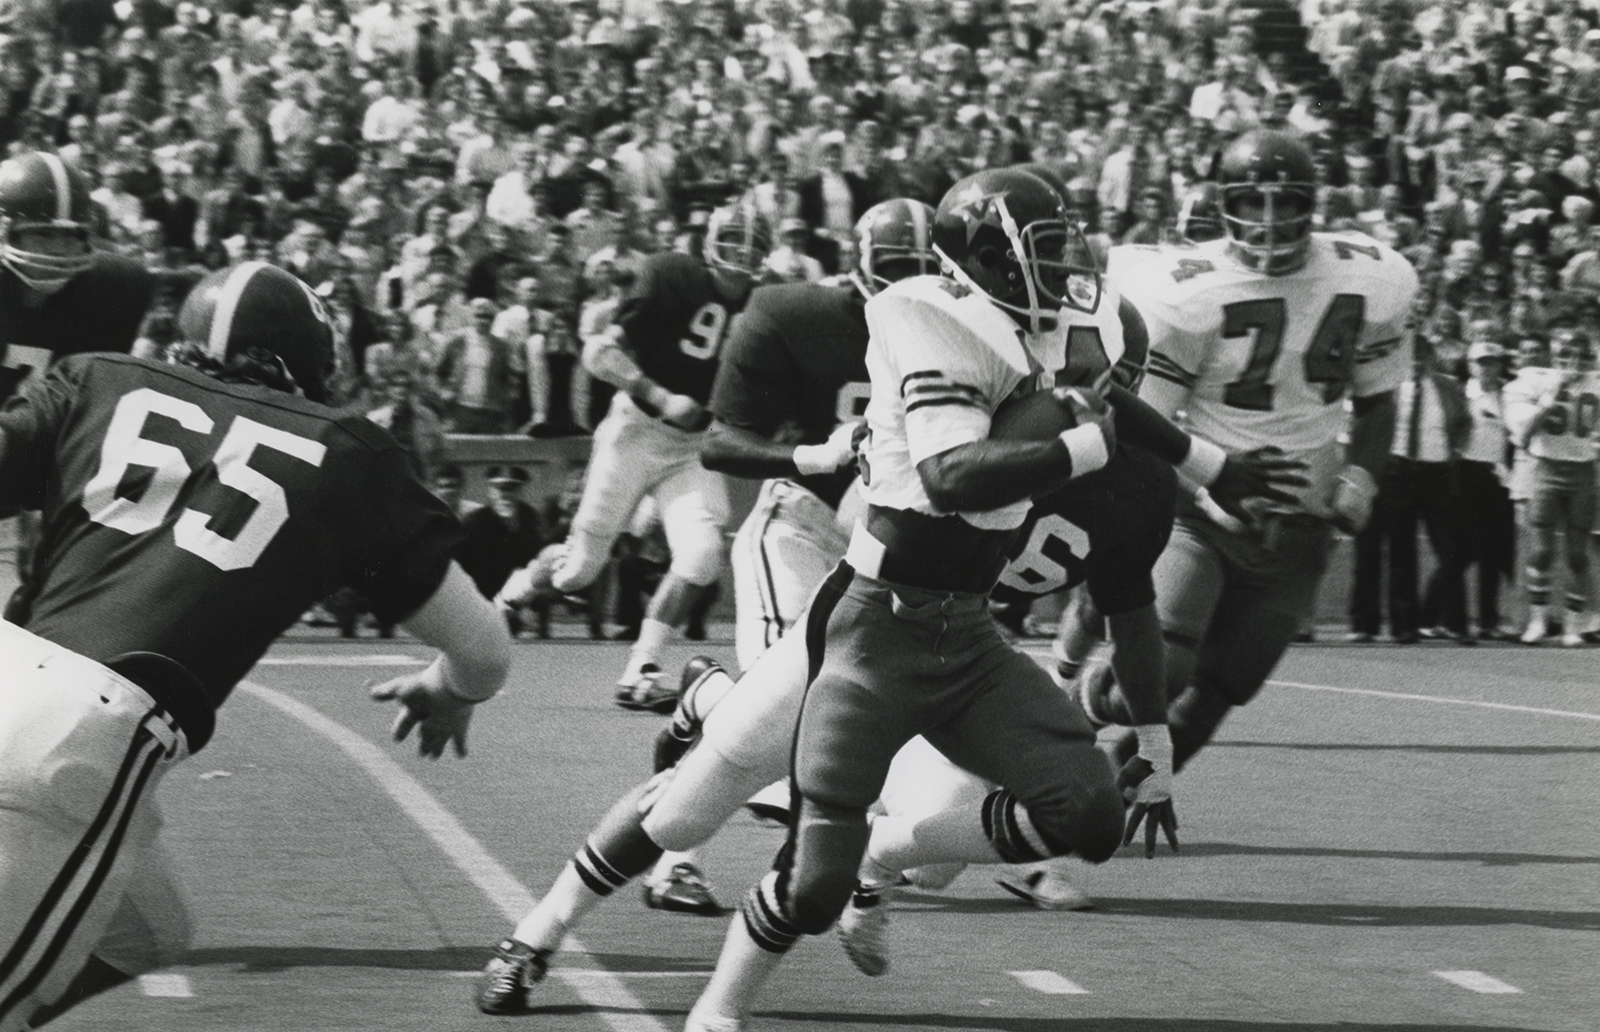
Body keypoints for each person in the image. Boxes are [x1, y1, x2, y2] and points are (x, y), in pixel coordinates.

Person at [0, 261, 510, 1032]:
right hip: (78, 738)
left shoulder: (98, 379)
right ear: (307, 362)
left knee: (152, 930)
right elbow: (486, 650)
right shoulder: (342, 452)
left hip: (13, 674)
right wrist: (450, 688)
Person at [1091, 129, 1417, 779]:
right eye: (1252, 202)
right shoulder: (1182, 290)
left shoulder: (1373, 275)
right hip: (1202, 502)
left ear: (1312, 204)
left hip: (1302, 517)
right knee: (1159, 670)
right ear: (1224, 203)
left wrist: (1361, 478)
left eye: (1286, 202)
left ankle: (1102, 802)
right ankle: (1056, 726)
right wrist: (1204, 481)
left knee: (1226, 685)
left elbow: (1379, 401)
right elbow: (1144, 423)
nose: (1269, 222)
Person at [543, 201, 773, 706]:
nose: (742, 255)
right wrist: (662, 396)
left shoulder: (765, 305)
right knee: (579, 571)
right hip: (637, 431)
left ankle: (640, 670)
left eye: (753, 246)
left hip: (693, 448)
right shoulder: (673, 274)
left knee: (704, 554)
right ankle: (519, 589)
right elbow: (598, 353)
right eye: (734, 242)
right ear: (711, 243)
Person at [1504, 327, 1600, 645]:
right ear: (1554, 355)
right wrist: (1553, 394)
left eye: (1579, 354)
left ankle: (1573, 625)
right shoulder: (1536, 378)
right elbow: (1521, 435)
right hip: (1545, 467)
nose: (1572, 361)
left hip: (1583, 471)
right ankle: (1537, 621)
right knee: (1542, 550)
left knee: (1576, 554)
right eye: (1564, 354)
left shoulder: (1597, 380)